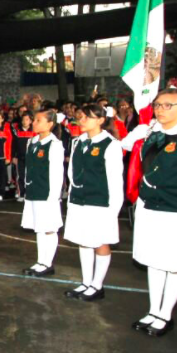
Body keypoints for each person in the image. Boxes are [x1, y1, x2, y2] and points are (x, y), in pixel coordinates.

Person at [122, 88, 177, 337]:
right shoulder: (152, 131)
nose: (161, 110)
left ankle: (165, 314)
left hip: (176, 208)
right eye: (158, 105)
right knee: (154, 260)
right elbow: (125, 145)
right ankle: (153, 310)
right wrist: (140, 129)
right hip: (150, 205)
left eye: (167, 105)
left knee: (174, 263)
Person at [62, 104, 124, 299]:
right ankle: (86, 282)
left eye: (87, 117)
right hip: (79, 200)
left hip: (100, 202)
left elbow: (115, 179)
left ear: (101, 120)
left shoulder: (110, 144)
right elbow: (72, 173)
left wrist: (113, 209)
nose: (82, 121)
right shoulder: (78, 142)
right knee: (84, 241)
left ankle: (97, 285)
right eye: (80, 117)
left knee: (100, 242)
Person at [21, 107, 64, 276]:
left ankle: (48, 263)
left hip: (47, 193)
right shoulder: (31, 142)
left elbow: (57, 173)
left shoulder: (55, 145)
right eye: (34, 119)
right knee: (39, 227)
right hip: (34, 190)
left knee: (49, 228)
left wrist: (53, 197)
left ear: (50, 124)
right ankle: (40, 261)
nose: (34, 123)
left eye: (38, 120)